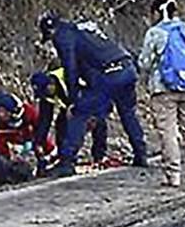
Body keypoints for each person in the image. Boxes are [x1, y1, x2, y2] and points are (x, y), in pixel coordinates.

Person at [37, 12, 148, 177]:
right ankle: (141, 154)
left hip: (108, 74)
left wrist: (73, 101)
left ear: (51, 30)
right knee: (127, 112)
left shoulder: (64, 36)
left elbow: (70, 68)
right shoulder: (86, 30)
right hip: (127, 68)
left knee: (79, 113)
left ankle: (67, 162)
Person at [137, 0, 185, 188]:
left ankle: (173, 176)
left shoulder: (155, 33)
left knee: (168, 132)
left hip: (163, 89)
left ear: (156, 13)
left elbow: (144, 63)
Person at [29, 67, 108, 173]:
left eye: (46, 92)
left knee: (95, 122)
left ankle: (99, 156)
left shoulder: (69, 76)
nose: (46, 96)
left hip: (92, 97)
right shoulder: (47, 92)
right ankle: (64, 159)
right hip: (72, 104)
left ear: (51, 84)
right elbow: (45, 120)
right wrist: (39, 142)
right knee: (61, 123)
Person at [0, 91, 56, 165]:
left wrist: (43, 148)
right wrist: (8, 155)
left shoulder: (28, 113)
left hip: (30, 141)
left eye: (1, 111)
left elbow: (41, 130)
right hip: (13, 145)